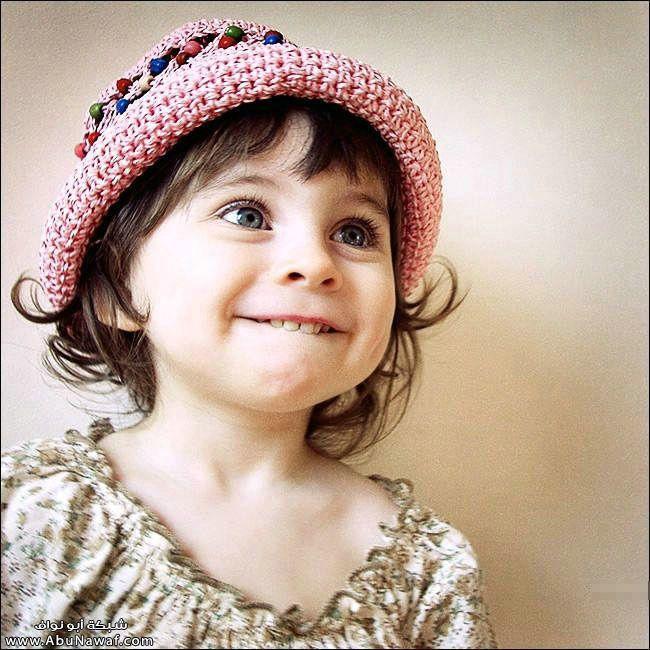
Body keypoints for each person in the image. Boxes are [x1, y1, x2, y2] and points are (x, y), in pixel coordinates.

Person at [2, 17, 498, 649]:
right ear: (114, 291)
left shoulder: (427, 572)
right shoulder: (28, 516)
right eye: (246, 214)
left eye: (354, 232)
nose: (314, 262)